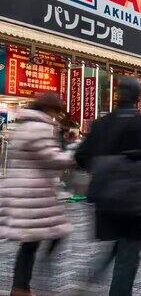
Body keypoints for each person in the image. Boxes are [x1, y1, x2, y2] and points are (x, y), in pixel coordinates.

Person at [75, 78, 141, 295]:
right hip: (133, 197)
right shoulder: (137, 122)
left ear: (117, 95)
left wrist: (101, 168)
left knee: (118, 240)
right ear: (137, 97)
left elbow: (81, 156)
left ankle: (92, 276)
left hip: (104, 196)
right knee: (129, 251)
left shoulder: (102, 123)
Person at [0, 93, 73, 296]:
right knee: (57, 233)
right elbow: (52, 158)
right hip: (34, 194)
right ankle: (30, 280)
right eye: (57, 112)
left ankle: (20, 287)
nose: (57, 117)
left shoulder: (25, 126)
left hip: (24, 192)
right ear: (49, 110)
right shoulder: (39, 128)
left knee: (30, 242)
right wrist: (73, 154)